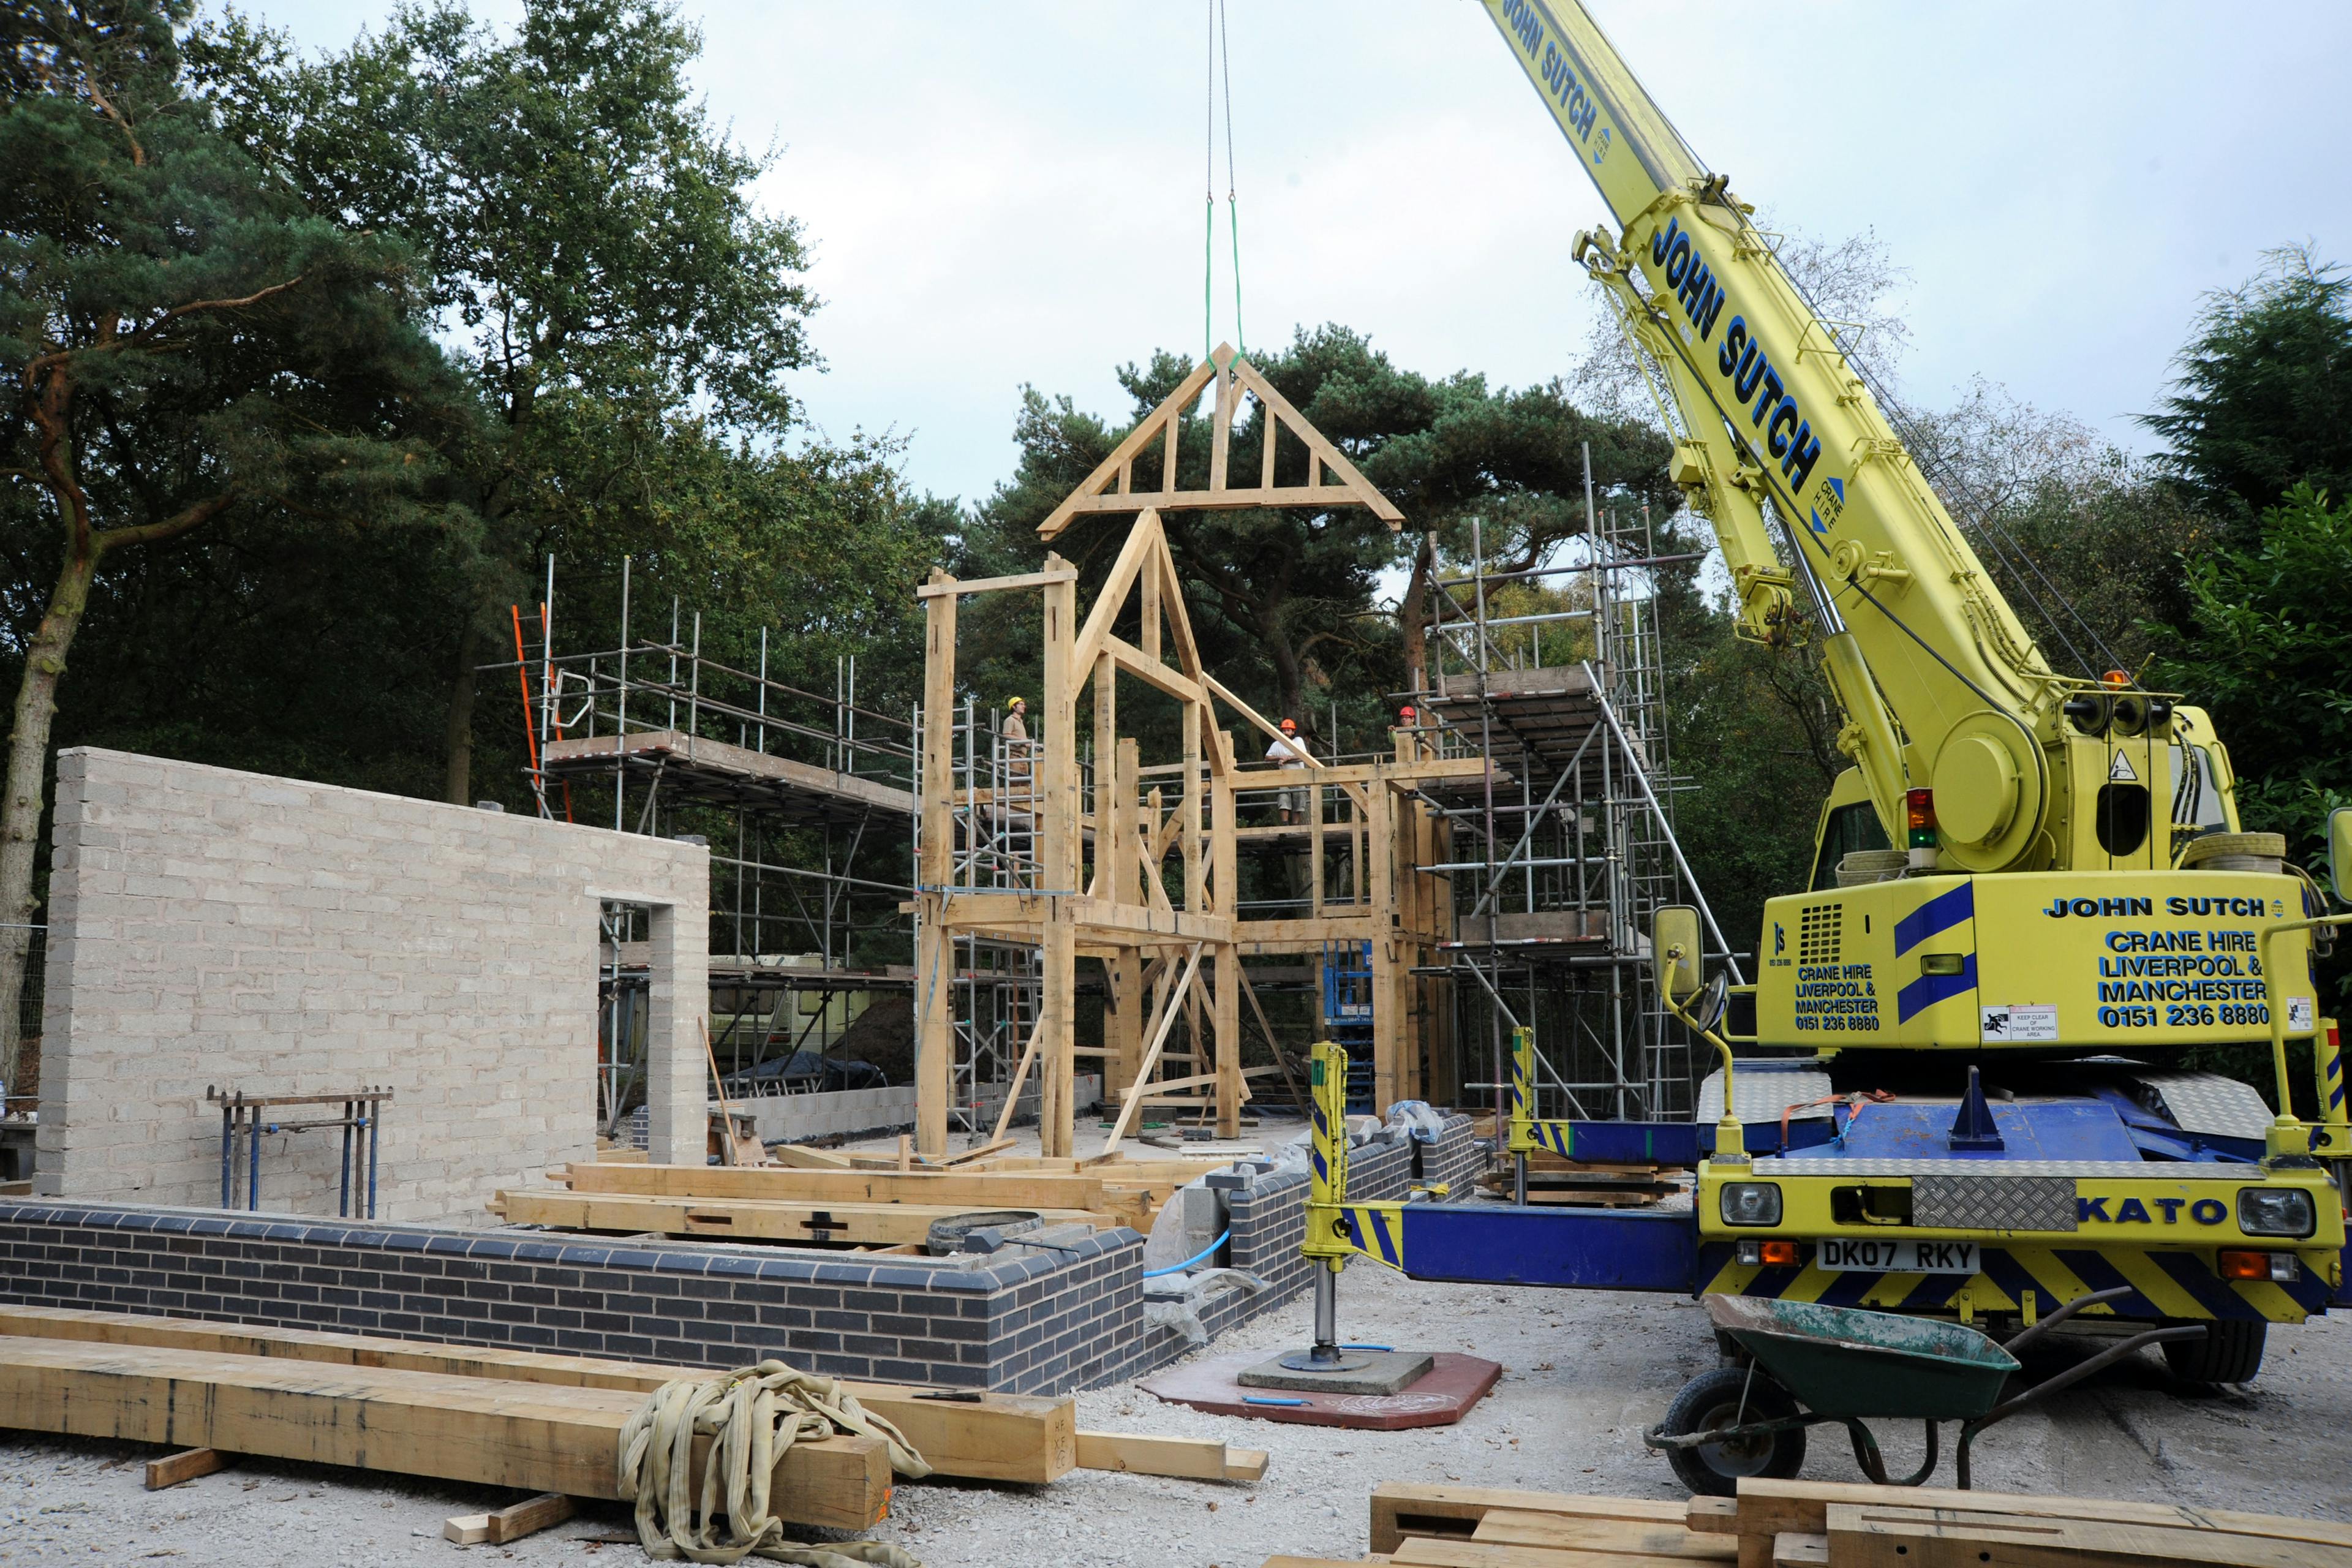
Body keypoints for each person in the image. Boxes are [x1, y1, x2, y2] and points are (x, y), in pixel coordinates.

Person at [1267, 717, 1311, 825]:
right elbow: (1267, 757)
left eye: (1288, 730)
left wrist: (1288, 758)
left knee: (1300, 798)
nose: (1286, 732)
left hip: (1299, 777)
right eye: (1284, 730)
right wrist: (1280, 758)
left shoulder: (1298, 741)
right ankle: (1285, 825)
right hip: (1285, 778)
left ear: (1293, 732)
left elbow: (1305, 756)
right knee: (1283, 798)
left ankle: (1295, 826)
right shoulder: (1277, 744)